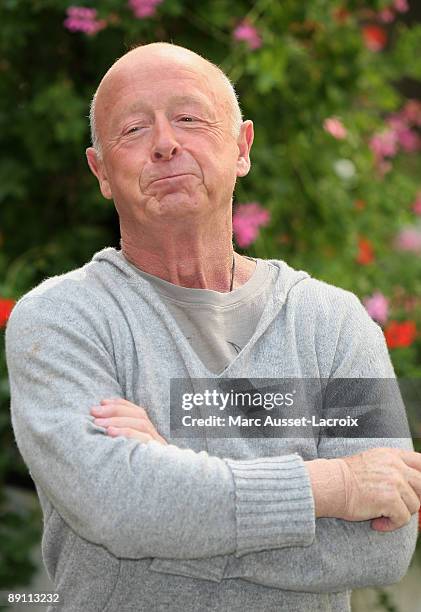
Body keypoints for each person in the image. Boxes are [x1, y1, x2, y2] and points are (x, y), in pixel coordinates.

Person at [5, 42, 421, 612]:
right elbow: (117, 505)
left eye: (189, 118)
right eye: (132, 130)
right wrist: (333, 488)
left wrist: (168, 502)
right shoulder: (63, 319)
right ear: (101, 172)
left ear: (242, 146)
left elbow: (384, 546)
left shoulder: (334, 324)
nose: (165, 143)